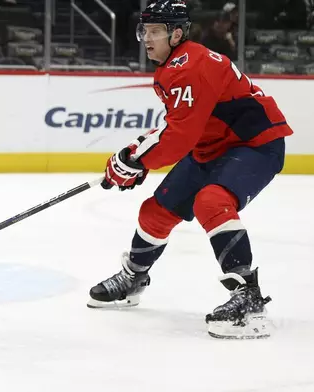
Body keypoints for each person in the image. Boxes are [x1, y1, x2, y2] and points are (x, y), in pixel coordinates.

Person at [88, 0, 292, 340]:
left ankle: (249, 299)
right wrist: (133, 156)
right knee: (156, 211)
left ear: (177, 33)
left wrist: (136, 162)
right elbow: (181, 126)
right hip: (212, 148)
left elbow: (179, 137)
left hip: (255, 144)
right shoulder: (176, 64)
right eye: (144, 31)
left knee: (211, 202)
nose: (147, 39)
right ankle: (135, 276)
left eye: (155, 31)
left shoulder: (189, 66)